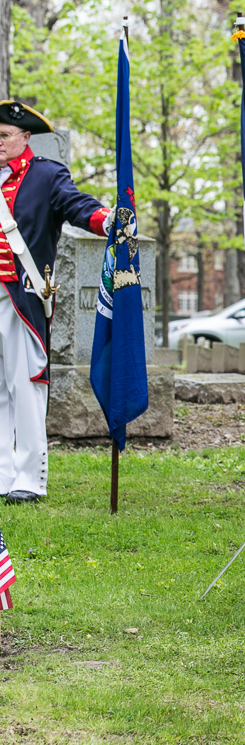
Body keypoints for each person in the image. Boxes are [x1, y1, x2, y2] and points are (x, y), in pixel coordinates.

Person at [0, 101, 111, 504]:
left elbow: (76, 205)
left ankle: (29, 477)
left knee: (25, 384)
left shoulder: (45, 174)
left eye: (4, 136)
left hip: (21, 295)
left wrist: (106, 220)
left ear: (25, 138)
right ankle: (2, 473)